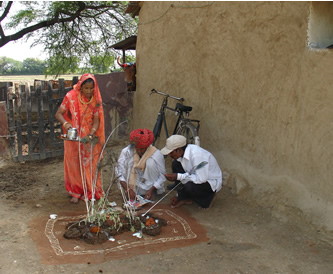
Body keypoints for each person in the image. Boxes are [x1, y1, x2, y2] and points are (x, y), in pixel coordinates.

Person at [55, 73, 105, 204]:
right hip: (74, 137)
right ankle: (76, 192)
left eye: (91, 88)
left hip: (89, 138)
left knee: (90, 165)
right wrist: (66, 124)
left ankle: (90, 190)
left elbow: (96, 121)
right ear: (80, 88)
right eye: (86, 88)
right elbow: (59, 113)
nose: (89, 91)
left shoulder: (95, 100)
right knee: (74, 165)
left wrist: (91, 134)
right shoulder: (70, 97)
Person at [161, 135, 222, 209]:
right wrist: (179, 195)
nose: (169, 155)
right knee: (176, 164)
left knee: (189, 186)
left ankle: (208, 198)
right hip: (196, 175)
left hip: (210, 181)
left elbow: (201, 179)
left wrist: (178, 176)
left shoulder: (197, 156)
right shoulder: (183, 154)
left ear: (179, 150)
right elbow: (190, 173)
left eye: (171, 152)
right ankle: (184, 197)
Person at [116, 128, 166, 201]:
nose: (139, 151)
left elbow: (163, 176)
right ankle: (132, 192)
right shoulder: (126, 151)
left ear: (147, 146)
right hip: (133, 187)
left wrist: (152, 189)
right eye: (137, 148)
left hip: (151, 187)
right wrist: (127, 189)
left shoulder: (156, 154)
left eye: (142, 149)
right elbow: (119, 171)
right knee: (130, 161)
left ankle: (153, 192)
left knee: (150, 162)